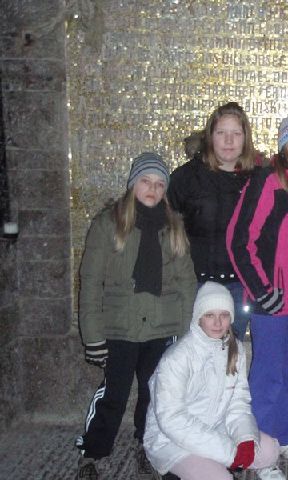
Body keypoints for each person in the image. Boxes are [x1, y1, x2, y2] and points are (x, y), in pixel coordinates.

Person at [75, 152, 196, 480]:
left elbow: (186, 282)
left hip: (162, 325)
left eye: (159, 184)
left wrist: (187, 333)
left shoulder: (173, 226)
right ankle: (93, 450)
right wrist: (93, 335)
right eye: (146, 181)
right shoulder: (108, 224)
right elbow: (91, 281)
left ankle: (147, 444)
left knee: (153, 392)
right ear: (132, 184)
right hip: (120, 326)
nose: (152, 190)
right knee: (113, 393)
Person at [226, 113, 288, 477]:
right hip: (272, 298)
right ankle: (260, 455)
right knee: (267, 377)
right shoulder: (267, 179)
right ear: (283, 143)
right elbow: (239, 239)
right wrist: (261, 290)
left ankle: (281, 438)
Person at [144, 282, 283, 480]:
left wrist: (245, 438)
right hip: (171, 439)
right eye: (210, 315)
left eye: (224, 315)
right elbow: (172, 420)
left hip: (215, 425)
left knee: (268, 452)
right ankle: (174, 471)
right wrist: (229, 453)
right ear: (199, 317)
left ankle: (209, 463)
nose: (218, 323)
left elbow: (238, 403)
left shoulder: (236, 350)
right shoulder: (177, 358)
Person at [168, 101, 262, 341]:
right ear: (210, 136)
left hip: (239, 286)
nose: (229, 141)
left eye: (236, 134)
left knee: (229, 354)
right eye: (221, 133)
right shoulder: (186, 178)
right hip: (195, 284)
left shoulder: (258, 181)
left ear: (245, 138)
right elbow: (164, 230)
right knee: (193, 354)